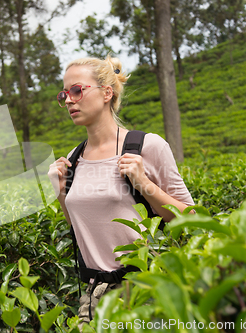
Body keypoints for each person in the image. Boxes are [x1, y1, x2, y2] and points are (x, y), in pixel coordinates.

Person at [48, 55, 195, 328]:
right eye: (64, 94)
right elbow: (82, 228)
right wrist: (60, 194)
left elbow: (192, 216)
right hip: (94, 299)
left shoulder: (147, 146)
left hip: (146, 292)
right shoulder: (74, 157)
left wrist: (145, 185)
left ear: (107, 93)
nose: (69, 100)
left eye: (77, 90)